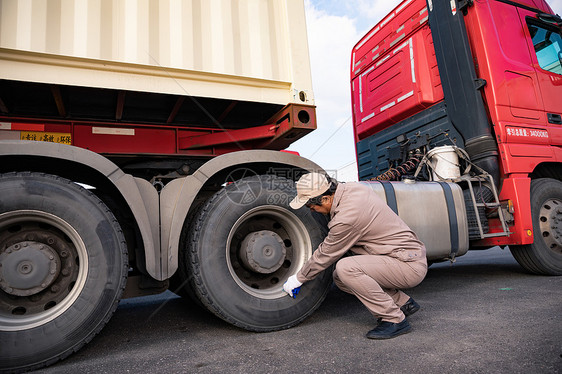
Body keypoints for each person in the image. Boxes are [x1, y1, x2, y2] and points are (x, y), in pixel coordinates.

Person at [283, 172, 427, 339]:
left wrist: (299, 278)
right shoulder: (352, 189)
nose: (312, 210)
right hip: (400, 256)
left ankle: (394, 319)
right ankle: (402, 303)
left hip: (407, 265)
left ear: (325, 199)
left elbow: (326, 254)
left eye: (311, 206)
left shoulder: (347, 217)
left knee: (346, 268)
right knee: (340, 278)